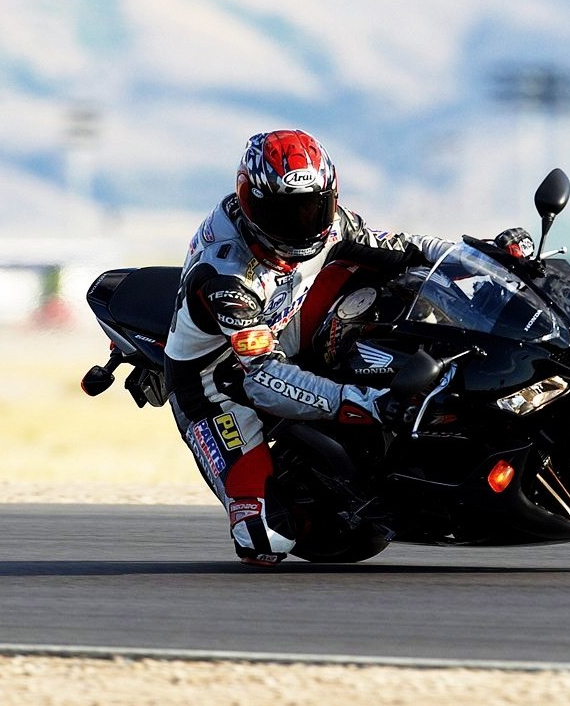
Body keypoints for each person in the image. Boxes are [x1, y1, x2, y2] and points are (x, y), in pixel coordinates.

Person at [166, 129, 452, 566]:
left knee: (387, 280)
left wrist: (480, 256)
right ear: (249, 202)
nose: (303, 223)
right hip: (219, 379)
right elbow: (261, 379)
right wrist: (365, 403)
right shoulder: (226, 277)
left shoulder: (333, 224)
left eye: (312, 207)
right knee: (265, 543)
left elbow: (406, 247)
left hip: (285, 322)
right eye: (284, 212)